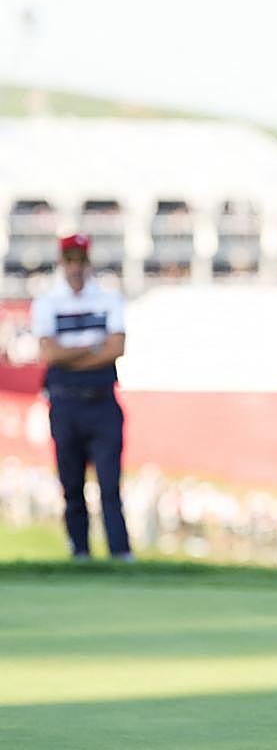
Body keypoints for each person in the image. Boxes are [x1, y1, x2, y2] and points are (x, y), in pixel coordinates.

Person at [31, 234, 132, 561]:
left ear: (87, 263)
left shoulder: (109, 299)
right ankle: (80, 552)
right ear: (63, 263)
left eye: (80, 260)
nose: (76, 267)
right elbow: (49, 353)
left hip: (102, 401)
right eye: (70, 260)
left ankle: (120, 553)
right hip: (66, 403)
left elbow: (116, 348)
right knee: (71, 485)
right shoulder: (47, 302)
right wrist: (93, 349)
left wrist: (70, 355)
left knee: (110, 486)